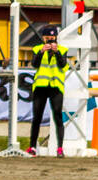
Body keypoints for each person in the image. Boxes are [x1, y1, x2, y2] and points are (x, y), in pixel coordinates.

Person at [28, 24, 69, 156]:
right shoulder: (37, 49)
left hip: (55, 87)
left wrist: (56, 52)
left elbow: (63, 64)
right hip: (40, 86)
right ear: (43, 38)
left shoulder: (62, 49)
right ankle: (32, 147)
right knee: (37, 117)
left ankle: (60, 148)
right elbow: (34, 64)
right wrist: (41, 52)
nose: (51, 41)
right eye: (48, 38)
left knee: (58, 116)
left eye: (53, 38)